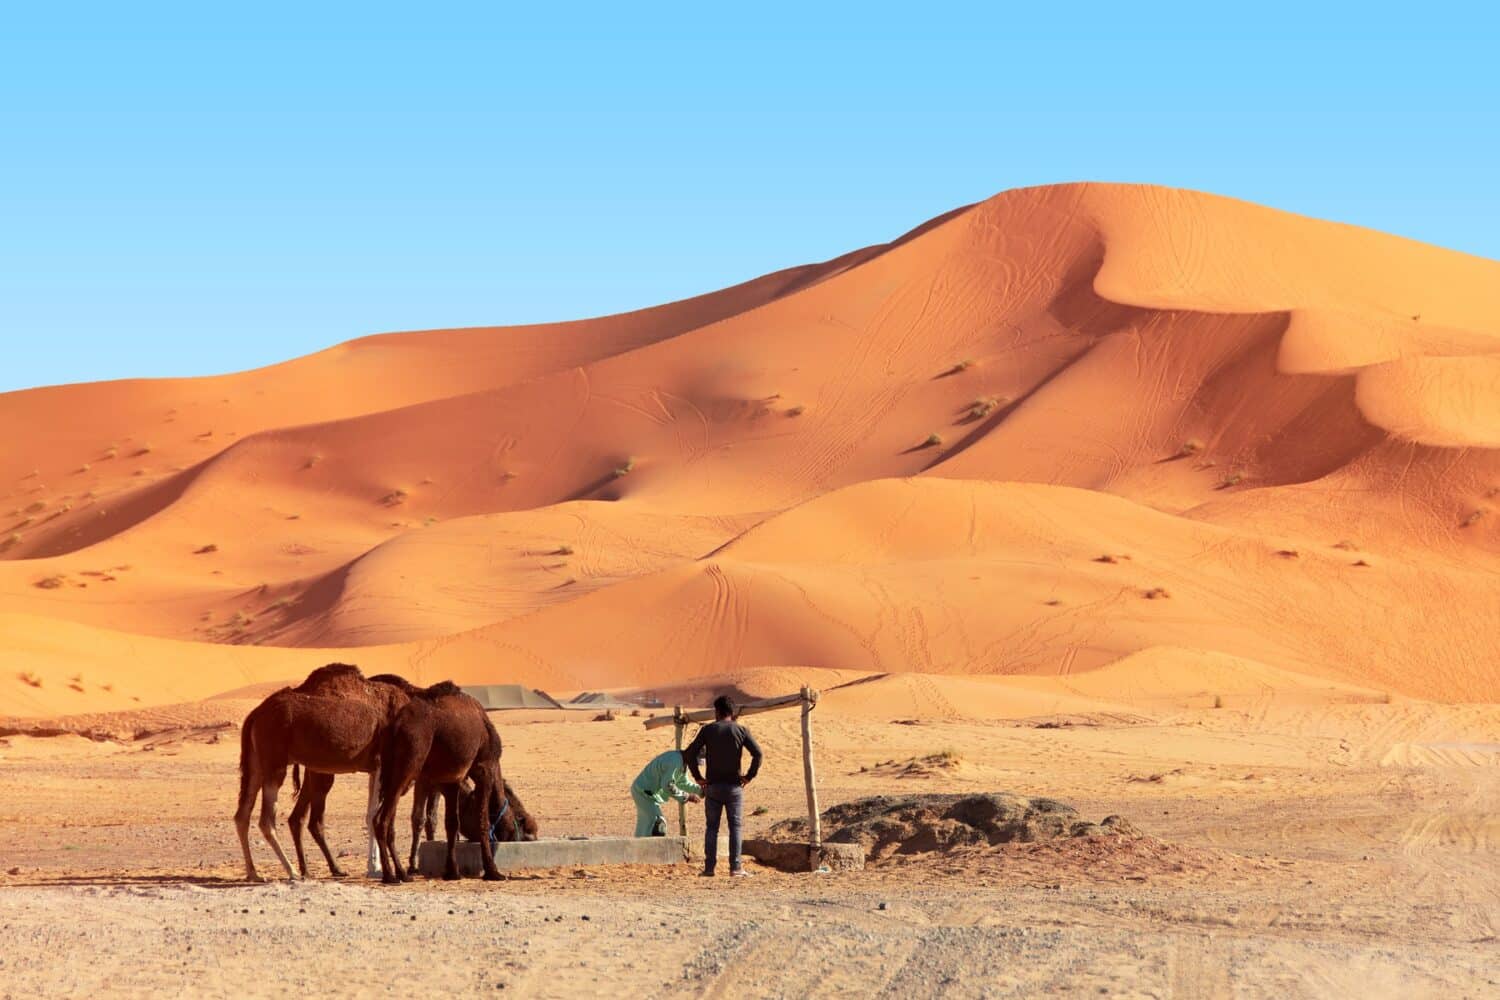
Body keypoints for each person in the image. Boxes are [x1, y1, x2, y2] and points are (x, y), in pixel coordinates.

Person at [682, 695, 763, 877]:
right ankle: (735, 868)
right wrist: (748, 777)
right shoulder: (741, 730)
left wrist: (698, 777)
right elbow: (758, 754)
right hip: (734, 787)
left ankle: (709, 868)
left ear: (717, 711)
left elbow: (690, 754)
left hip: (713, 787)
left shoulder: (708, 730)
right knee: (735, 827)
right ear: (732, 712)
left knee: (712, 827)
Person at [630, 749, 702, 837]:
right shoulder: (675, 762)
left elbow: (682, 783)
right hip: (643, 792)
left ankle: (637, 849)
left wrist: (701, 791)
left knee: (646, 826)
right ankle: (648, 849)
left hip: (646, 793)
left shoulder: (681, 762)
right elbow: (668, 785)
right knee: (658, 824)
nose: (695, 766)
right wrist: (687, 796)